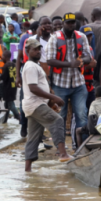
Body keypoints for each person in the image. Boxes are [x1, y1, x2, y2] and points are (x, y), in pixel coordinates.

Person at [22, 37, 70, 171]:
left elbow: (39, 86)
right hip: (35, 104)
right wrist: (53, 96)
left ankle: (27, 170)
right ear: (27, 51)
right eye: (34, 49)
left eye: (39, 49)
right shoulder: (31, 66)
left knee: (33, 138)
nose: (38, 51)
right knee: (57, 121)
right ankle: (63, 154)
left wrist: (50, 99)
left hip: (32, 105)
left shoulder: (33, 65)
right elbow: (33, 88)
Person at [45, 13, 92, 134]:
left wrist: (81, 61)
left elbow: (88, 57)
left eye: (73, 22)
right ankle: (61, 147)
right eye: (68, 23)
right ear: (63, 24)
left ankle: (82, 144)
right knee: (60, 116)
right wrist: (69, 64)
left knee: (82, 115)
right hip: (60, 84)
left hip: (78, 83)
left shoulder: (81, 36)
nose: (71, 25)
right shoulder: (55, 37)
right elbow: (49, 60)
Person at [0, 49, 19, 122]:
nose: (2, 58)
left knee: (10, 104)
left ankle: (18, 117)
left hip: (7, 88)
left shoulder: (5, 66)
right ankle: (5, 120)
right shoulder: (14, 64)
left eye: (2, 56)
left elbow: (2, 77)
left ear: (6, 57)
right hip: (13, 87)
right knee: (7, 104)